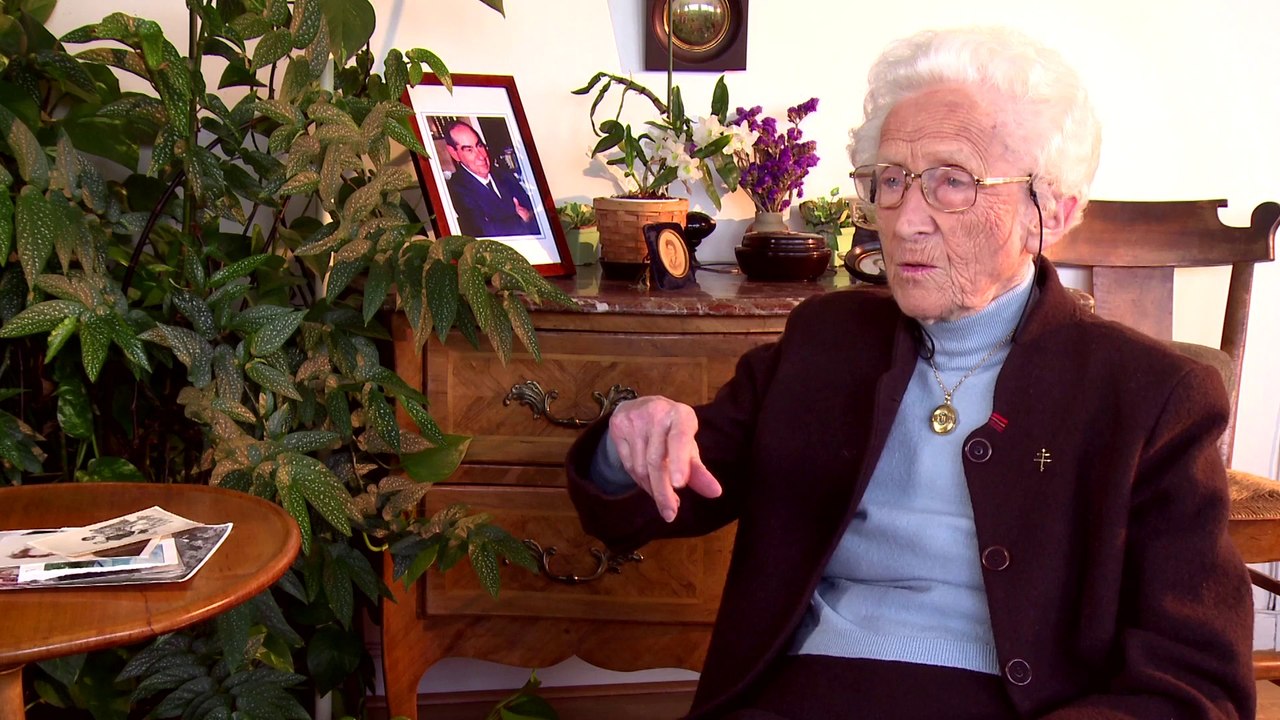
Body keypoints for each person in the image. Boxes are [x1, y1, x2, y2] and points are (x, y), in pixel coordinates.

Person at [566, 26, 1254, 720]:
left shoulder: (1149, 397)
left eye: (952, 182)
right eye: (890, 181)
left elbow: (1196, 684)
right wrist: (632, 442)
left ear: (1053, 209)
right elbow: (680, 479)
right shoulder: (825, 340)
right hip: (803, 692)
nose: (905, 220)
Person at [443, 120, 540, 237]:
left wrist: (527, 216)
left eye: (479, 146)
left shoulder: (502, 173)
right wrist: (522, 220)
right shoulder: (456, 188)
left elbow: (534, 209)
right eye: (469, 150)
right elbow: (483, 231)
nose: (481, 156)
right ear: (454, 153)